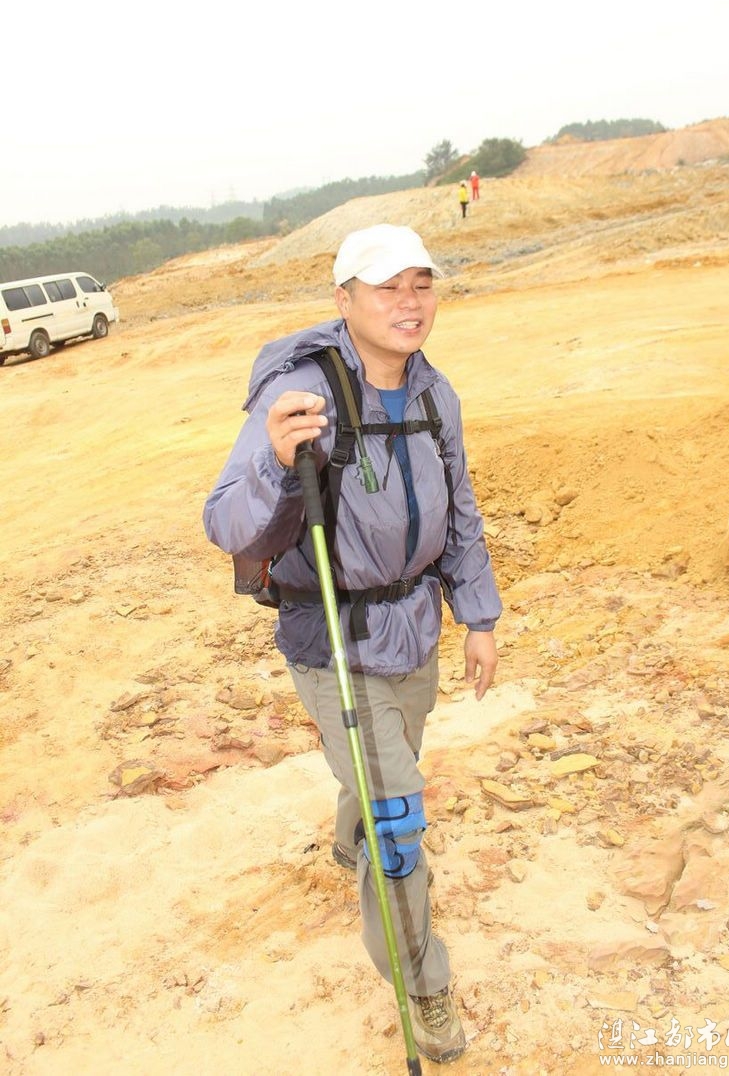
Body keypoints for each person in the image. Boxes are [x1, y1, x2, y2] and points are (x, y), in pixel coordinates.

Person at [203, 223, 501, 1064]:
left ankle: (349, 835)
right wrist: (273, 461)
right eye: (386, 287)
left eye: (422, 284)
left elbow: (461, 510)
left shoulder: (435, 394)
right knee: (398, 820)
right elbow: (225, 522)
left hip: (415, 631)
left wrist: (478, 616)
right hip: (334, 639)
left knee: (385, 764)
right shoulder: (303, 394)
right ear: (344, 299)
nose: (410, 302)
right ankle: (423, 983)